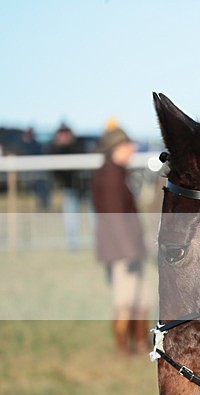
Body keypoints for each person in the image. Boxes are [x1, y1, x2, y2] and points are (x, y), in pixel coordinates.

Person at [90, 120, 150, 355]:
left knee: (140, 298)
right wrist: (130, 251)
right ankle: (124, 348)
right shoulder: (111, 178)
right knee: (126, 299)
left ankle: (138, 343)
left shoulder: (114, 174)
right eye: (128, 145)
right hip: (123, 251)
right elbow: (115, 221)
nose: (132, 149)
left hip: (126, 248)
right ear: (117, 147)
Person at [50, 123, 84, 249]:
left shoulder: (78, 144)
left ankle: (98, 241)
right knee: (70, 215)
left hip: (84, 186)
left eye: (66, 133)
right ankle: (72, 245)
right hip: (69, 187)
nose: (64, 136)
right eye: (61, 133)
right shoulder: (54, 147)